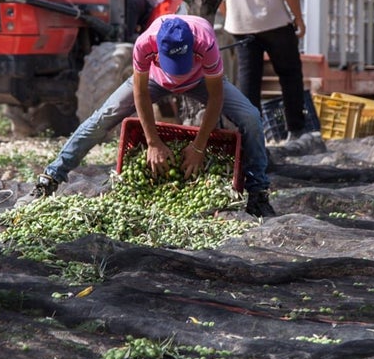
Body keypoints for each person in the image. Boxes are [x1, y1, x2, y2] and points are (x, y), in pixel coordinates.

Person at [31, 14, 277, 218]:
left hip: (200, 81)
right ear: (158, 50)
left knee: (251, 117)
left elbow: (216, 98)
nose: (177, 73)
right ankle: (52, 176)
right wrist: (153, 142)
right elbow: (140, 92)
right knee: (103, 116)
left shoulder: (206, 42)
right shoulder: (144, 43)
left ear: (192, 48)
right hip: (155, 82)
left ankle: (258, 193)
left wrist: (199, 147)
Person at [211, 0, 312, 145]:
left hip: (240, 24)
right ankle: (296, 130)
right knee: (290, 74)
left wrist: (229, 14)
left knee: (248, 80)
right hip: (274, 20)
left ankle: (251, 136)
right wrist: (298, 18)